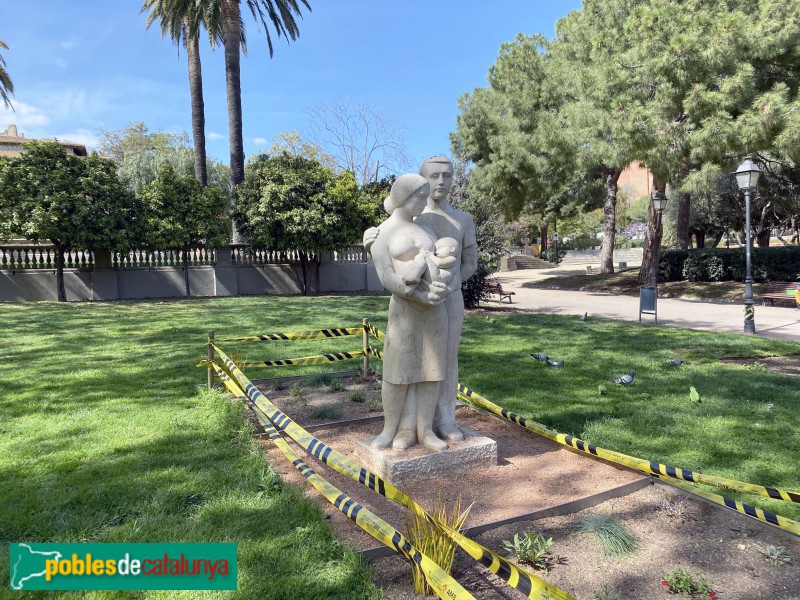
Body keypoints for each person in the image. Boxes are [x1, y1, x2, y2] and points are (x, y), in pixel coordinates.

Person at [366, 174, 452, 452]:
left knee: (431, 370)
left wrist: (441, 290)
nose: (425, 201)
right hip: (405, 311)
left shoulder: (427, 231)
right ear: (404, 197)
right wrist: (418, 295)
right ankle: (393, 429)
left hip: (434, 313)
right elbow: (387, 276)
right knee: (398, 372)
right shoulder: (380, 233)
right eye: (420, 195)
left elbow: (441, 265)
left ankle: (424, 429)